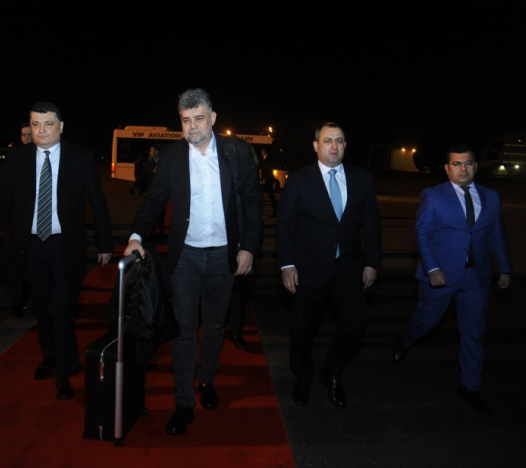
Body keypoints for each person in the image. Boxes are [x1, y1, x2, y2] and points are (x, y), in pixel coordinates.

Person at [124, 88, 262, 435]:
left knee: (215, 326)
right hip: (184, 257)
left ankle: (207, 380)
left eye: (199, 118)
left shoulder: (238, 152)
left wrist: (248, 247)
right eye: (186, 121)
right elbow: (153, 202)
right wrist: (135, 236)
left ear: (213, 118)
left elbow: (252, 204)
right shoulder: (171, 157)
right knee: (184, 330)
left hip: (224, 257)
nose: (193, 126)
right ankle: (183, 402)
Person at [0, 102, 113, 401]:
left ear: (61, 127)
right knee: (41, 307)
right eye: (35, 125)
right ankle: (50, 355)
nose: (41, 130)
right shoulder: (18, 158)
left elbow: (98, 203)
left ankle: (65, 372)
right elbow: (0, 201)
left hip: (64, 245)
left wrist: (105, 244)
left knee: (61, 308)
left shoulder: (80, 158)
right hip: (30, 246)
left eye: (47, 124)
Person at [392, 144, 512, 411]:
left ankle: (470, 386)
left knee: (474, 333)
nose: (463, 169)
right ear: (447, 169)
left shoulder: (491, 197)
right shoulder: (433, 196)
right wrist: (432, 268)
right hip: (441, 275)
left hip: (476, 277)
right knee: (427, 321)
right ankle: (405, 339)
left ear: (475, 167)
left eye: (468, 163)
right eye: (456, 164)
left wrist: (504, 268)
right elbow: (422, 234)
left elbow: (496, 235)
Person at [275, 122, 382, 409]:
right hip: (307, 268)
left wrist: (372, 262)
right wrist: (286, 264)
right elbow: (284, 223)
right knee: (303, 330)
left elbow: (371, 224)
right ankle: (303, 376)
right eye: (327, 141)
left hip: (349, 269)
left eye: (339, 141)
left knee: (355, 327)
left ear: (345, 146)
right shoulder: (299, 180)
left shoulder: (362, 179)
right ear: (316, 146)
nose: (333, 146)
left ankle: (332, 371)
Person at [259, 148, 278, 217]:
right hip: (267, 179)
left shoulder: (267, 160)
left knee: (271, 196)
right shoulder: (266, 159)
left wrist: (265, 178)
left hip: (268, 180)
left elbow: (268, 170)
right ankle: (275, 211)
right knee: (270, 196)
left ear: (263, 152)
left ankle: (276, 211)